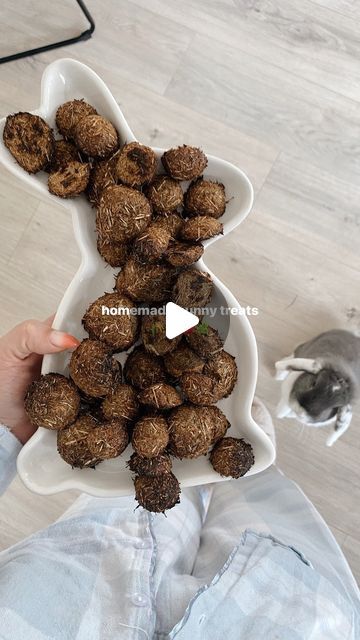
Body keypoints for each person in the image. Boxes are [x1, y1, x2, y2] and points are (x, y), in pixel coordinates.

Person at [0, 318, 359, 640]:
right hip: (288, 599)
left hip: (87, 559)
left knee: (130, 503)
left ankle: (232, 459)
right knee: (258, 490)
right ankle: (241, 468)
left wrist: (7, 429)